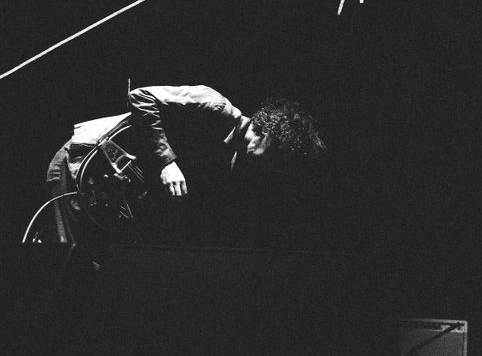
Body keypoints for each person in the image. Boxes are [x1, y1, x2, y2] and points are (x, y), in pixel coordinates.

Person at [42, 84, 327, 247]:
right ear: (270, 133)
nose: (274, 165)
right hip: (81, 162)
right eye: (278, 155)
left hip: (107, 195)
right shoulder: (215, 106)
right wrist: (167, 163)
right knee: (68, 254)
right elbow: (141, 97)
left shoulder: (230, 162)